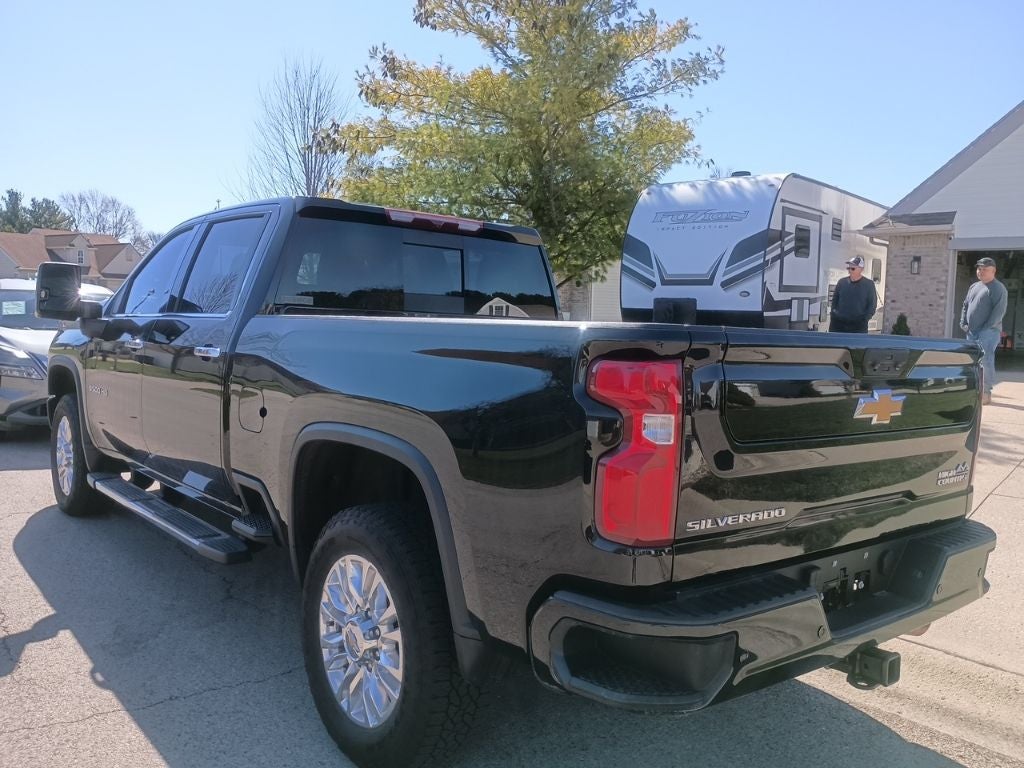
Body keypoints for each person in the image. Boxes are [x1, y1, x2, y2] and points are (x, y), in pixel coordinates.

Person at [960, 257, 1008, 405]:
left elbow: (998, 313)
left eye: (984, 269)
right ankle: (974, 390)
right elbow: (965, 305)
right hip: (971, 332)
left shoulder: (998, 288)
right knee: (972, 361)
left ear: (993, 271)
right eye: (979, 269)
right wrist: (963, 322)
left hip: (988, 332)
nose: (981, 272)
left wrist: (984, 328)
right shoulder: (974, 286)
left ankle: (986, 393)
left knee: (985, 361)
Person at [829, 255, 877, 333]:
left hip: (858, 327)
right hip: (838, 325)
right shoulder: (842, 282)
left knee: (857, 345)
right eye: (849, 268)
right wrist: (834, 315)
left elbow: (872, 305)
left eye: (853, 268)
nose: (850, 271)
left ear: (861, 269)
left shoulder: (868, 284)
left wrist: (864, 320)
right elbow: (834, 301)